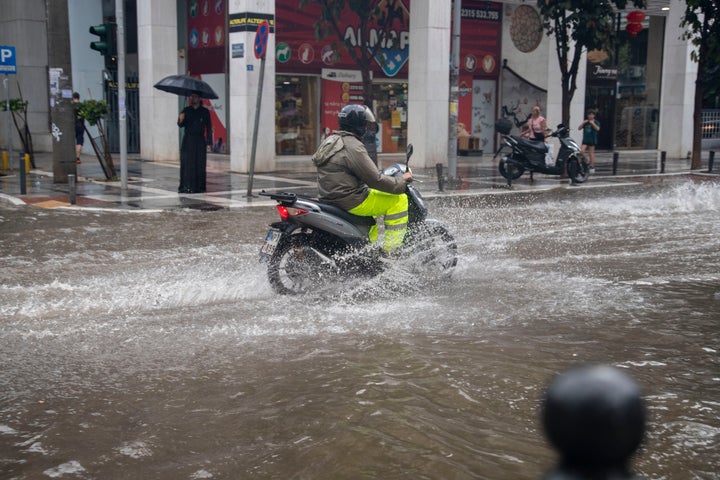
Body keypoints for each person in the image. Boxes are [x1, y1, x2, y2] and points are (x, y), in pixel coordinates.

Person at [312, 104, 413, 254]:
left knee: (372, 197)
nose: (367, 127)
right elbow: (375, 180)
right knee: (399, 201)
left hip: (330, 196)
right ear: (358, 125)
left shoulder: (331, 140)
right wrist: (401, 181)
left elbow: (352, 171)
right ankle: (390, 252)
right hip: (350, 199)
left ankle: (367, 250)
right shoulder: (353, 146)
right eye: (365, 124)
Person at [177, 91, 212, 193]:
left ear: (199, 98)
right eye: (192, 97)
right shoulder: (186, 110)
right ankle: (186, 186)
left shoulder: (204, 111)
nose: (194, 99)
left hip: (200, 140)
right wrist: (180, 119)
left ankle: (199, 186)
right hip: (188, 140)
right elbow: (180, 125)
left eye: (196, 97)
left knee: (200, 163)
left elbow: (208, 127)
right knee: (188, 163)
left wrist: (209, 142)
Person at [73, 92, 84, 164]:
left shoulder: (71, 106)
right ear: (79, 98)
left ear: (73, 98)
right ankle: (78, 158)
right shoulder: (82, 106)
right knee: (79, 142)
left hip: (72, 125)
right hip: (80, 125)